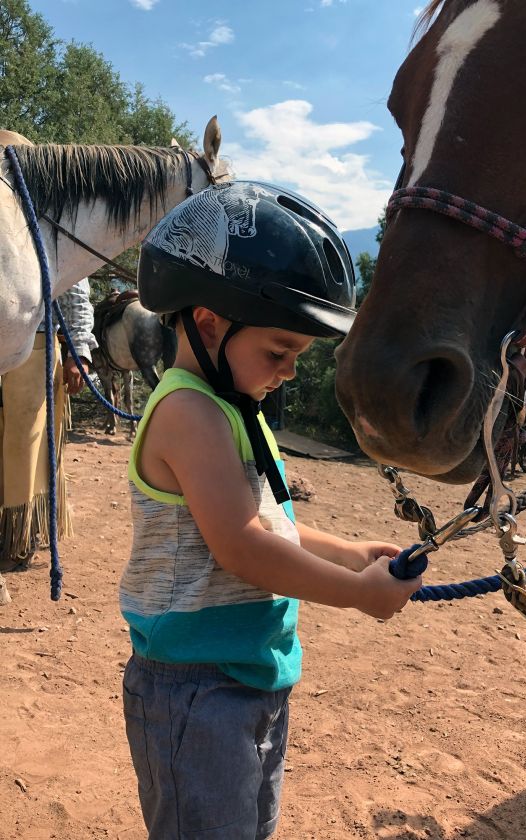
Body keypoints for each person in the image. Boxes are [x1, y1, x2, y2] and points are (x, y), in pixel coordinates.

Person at [119, 182, 422, 840]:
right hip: (195, 690)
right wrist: (356, 594)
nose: (287, 372)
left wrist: (347, 551)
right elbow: (244, 547)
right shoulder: (189, 412)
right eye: (277, 352)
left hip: (252, 674)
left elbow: (272, 523)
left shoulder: (235, 410)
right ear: (207, 324)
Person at [0, 278, 97, 571]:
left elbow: (74, 278)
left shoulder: (48, 228)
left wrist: (78, 348)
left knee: (28, 445)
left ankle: (22, 535)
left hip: (35, 341)